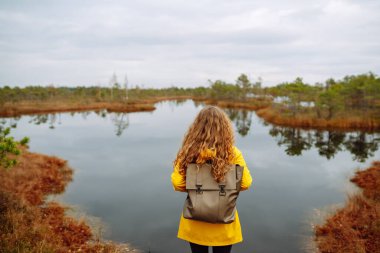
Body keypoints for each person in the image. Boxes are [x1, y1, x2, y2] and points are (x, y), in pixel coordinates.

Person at [171, 106, 252, 253]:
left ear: (196, 128)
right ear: (225, 129)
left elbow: (177, 183)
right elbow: (246, 183)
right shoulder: (233, 153)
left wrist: (195, 187)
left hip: (195, 221)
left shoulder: (188, 152)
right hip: (224, 221)